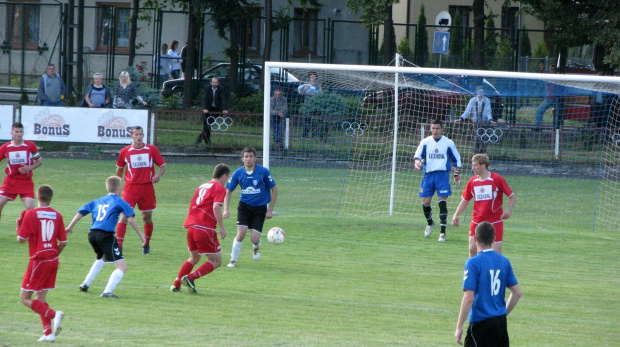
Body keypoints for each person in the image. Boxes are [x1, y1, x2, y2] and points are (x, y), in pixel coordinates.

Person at [65, 176, 146, 299]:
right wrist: (141, 236)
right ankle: (107, 292)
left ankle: (85, 284)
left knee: (102, 257)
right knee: (122, 267)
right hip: (105, 235)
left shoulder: (97, 201)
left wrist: (70, 227)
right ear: (118, 188)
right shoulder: (119, 201)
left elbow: (81, 212)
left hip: (92, 235)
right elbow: (130, 219)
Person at [454, 221, 521, 346]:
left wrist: (459, 326)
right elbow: (517, 293)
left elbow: (469, 298)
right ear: (494, 239)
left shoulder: (473, 263)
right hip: (500, 324)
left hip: (481, 324)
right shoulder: (504, 261)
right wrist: (502, 312)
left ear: (475, 238)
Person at [17, 185, 67, 343]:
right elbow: (64, 242)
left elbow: (21, 239)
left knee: (25, 298)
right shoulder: (57, 215)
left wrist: (19, 224)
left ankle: (54, 315)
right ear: (51, 197)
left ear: (37, 197)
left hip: (38, 261)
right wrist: (53, 255)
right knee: (41, 297)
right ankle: (48, 333)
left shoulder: (31, 214)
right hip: (53, 260)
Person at [170, 163, 230, 294]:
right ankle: (190, 278)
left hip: (191, 226)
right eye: (227, 178)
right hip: (204, 227)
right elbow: (216, 207)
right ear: (224, 176)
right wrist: (221, 227)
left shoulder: (202, 186)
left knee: (194, 257)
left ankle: (176, 284)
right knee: (216, 261)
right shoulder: (219, 187)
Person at [451, 154, 516, 257]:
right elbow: (465, 200)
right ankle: (473, 271)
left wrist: (508, 211)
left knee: (496, 253)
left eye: (475, 165)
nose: (472, 168)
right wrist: (456, 215)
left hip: (495, 221)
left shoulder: (497, 179)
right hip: (477, 220)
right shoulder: (472, 181)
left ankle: (495, 272)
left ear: (483, 165)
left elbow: (511, 196)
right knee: (472, 249)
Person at [223, 147, 278, 268]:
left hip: (260, 209)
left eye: (251, 156)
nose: (248, 159)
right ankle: (233, 260)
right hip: (244, 207)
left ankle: (256, 246)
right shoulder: (238, 173)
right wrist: (226, 209)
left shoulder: (263, 172)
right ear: (242, 158)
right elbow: (228, 191)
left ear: (255, 158)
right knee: (241, 233)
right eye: (246, 156)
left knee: (254, 238)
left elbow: (274, 189)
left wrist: (270, 210)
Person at [115, 126, 166, 255]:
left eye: (141, 134)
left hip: (147, 189)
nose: (139, 136)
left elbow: (162, 166)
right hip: (130, 189)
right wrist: (117, 186)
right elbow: (120, 169)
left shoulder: (151, 150)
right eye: (136, 134)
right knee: (124, 216)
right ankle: (119, 247)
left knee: (147, 218)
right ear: (131, 136)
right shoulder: (125, 151)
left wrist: (158, 175)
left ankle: (146, 243)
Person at [413, 119, 462, 242]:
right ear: (430, 129)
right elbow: (418, 156)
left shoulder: (448, 143)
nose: (435, 130)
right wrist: (417, 162)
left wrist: (456, 175)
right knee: (425, 202)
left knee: (442, 202)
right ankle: (430, 223)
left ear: (441, 129)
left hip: (442, 176)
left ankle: (442, 232)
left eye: (437, 128)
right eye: (433, 128)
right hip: (428, 176)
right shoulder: (425, 142)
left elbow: (456, 159)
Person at [0, 122, 43, 222]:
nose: (19, 134)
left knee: (29, 209)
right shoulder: (5, 147)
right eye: (17, 131)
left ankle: (20, 222)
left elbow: (39, 161)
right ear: (12, 133)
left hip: (26, 182)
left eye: (21, 131)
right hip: (10, 182)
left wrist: (30, 167)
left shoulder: (30, 146)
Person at [196, 77, 228, 145]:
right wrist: (204, 108)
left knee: (209, 125)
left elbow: (223, 99)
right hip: (207, 108)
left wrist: (224, 109)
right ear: (210, 83)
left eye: (216, 83)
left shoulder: (221, 89)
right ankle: (207, 142)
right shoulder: (207, 88)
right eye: (213, 82)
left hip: (216, 109)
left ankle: (199, 140)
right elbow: (205, 98)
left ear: (218, 83)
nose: (214, 84)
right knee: (206, 126)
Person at [297, 71, 323, 139]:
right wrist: (304, 89)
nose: (313, 78)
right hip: (307, 106)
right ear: (309, 77)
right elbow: (301, 94)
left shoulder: (318, 86)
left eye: (314, 76)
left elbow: (321, 94)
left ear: (316, 77)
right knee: (306, 121)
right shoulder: (305, 85)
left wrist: (315, 94)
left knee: (314, 121)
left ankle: (314, 136)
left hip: (315, 105)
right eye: (311, 76)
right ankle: (304, 135)